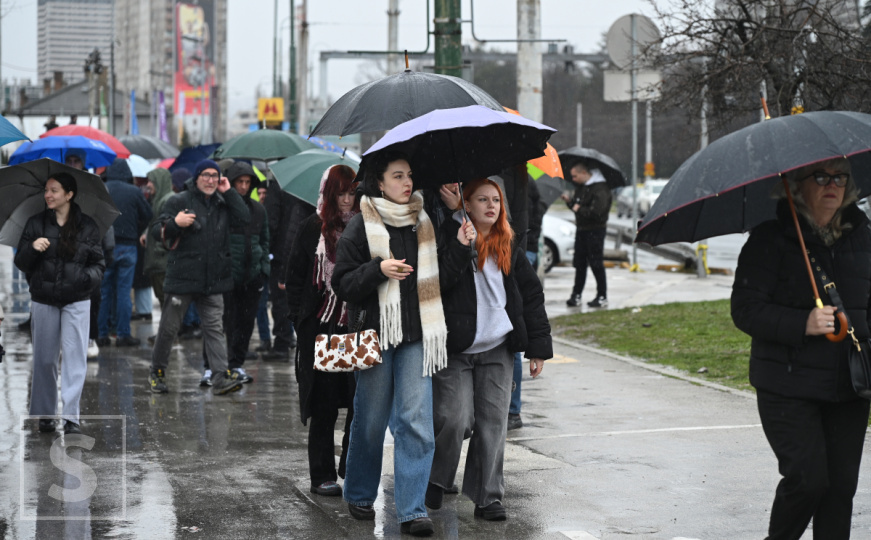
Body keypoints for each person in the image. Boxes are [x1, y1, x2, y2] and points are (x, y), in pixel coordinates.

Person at [731, 157, 871, 540]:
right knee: (808, 481)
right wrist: (802, 323)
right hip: (787, 384)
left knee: (840, 491)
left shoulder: (864, 235)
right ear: (796, 185)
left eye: (840, 177)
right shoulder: (770, 238)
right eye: (821, 176)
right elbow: (744, 310)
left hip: (849, 384)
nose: (833, 185)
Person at [332, 152, 464, 536]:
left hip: (417, 337)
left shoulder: (425, 222)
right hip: (375, 335)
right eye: (398, 176)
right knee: (371, 421)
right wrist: (378, 270)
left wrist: (459, 242)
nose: (407, 182)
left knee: (416, 423)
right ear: (380, 182)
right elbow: (342, 283)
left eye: (409, 175)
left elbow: (443, 281)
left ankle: (411, 509)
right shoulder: (361, 224)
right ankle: (358, 492)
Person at [427, 177, 552, 521]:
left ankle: (488, 497)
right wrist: (458, 237)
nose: (491, 205)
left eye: (495, 199)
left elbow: (531, 296)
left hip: (498, 347)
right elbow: (438, 283)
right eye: (482, 199)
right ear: (466, 205)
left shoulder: (508, 244)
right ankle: (437, 478)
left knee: (493, 423)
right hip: (457, 348)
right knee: (454, 418)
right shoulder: (450, 236)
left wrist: (538, 348)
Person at [286, 164, 359, 498]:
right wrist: (301, 323)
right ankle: (322, 476)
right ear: (330, 194)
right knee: (325, 406)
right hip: (322, 328)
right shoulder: (313, 227)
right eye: (341, 193)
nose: (346, 200)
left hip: (355, 326)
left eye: (351, 193)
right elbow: (296, 278)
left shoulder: (364, 226)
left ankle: (352, 465)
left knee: (361, 404)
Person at [147, 159, 249, 395]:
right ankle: (157, 372)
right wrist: (175, 223)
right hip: (182, 278)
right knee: (169, 329)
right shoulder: (178, 200)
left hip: (213, 280)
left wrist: (230, 191)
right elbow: (156, 231)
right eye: (206, 175)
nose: (211, 180)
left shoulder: (223, 202)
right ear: (196, 177)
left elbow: (244, 218)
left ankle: (220, 377)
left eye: (215, 176)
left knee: (214, 329)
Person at [14, 172, 105, 434]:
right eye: (46, 190)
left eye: (54, 190)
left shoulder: (87, 226)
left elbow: (99, 263)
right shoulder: (35, 223)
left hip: (77, 300)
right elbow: (21, 262)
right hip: (43, 299)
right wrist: (33, 248)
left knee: (75, 359)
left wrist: (84, 279)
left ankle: (71, 417)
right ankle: (45, 414)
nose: (48, 195)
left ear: (69, 194)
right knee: (44, 359)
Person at [219, 161, 270, 383]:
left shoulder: (258, 209)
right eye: (239, 181)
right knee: (227, 321)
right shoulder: (224, 208)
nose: (243, 186)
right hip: (229, 275)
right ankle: (224, 363)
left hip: (252, 275)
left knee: (246, 321)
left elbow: (265, 239)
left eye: (247, 182)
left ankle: (237, 363)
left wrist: (263, 268)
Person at [97, 158, 152, 346]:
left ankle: (101, 334)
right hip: (128, 246)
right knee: (123, 292)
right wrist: (135, 229)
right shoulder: (134, 191)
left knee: (104, 292)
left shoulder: (102, 189)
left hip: (104, 247)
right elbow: (148, 215)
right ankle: (122, 334)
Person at [562, 162, 610, 308]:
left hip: (595, 230)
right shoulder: (582, 188)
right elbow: (578, 207)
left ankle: (602, 295)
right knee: (580, 263)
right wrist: (570, 203)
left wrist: (579, 209)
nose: (573, 179)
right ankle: (576, 295)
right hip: (582, 229)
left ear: (584, 173)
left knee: (596, 263)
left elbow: (598, 213)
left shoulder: (601, 188)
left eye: (575, 176)